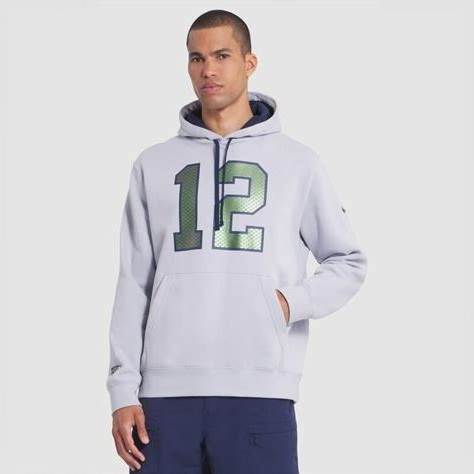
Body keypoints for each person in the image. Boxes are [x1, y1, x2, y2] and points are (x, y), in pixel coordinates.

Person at [106, 9, 368, 473]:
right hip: (163, 396)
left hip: (260, 390)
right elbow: (133, 281)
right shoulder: (153, 164)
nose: (208, 69)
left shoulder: (298, 163)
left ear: (250, 63)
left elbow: (348, 260)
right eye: (197, 58)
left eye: (222, 55)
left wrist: (287, 303)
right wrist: (122, 390)